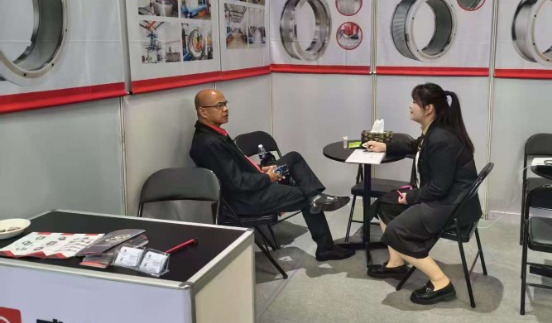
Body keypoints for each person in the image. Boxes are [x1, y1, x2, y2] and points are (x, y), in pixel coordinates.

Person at [189, 89, 354, 261]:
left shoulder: (214, 133)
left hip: (255, 182)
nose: (225, 109)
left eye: (225, 104)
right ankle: (325, 246)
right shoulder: (209, 143)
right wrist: (268, 178)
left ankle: (316, 196)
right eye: (219, 105)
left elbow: (236, 169)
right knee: (306, 197)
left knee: (293, 158)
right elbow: (237, 183)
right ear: (203, 111)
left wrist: (261, 170)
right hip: (247, 199)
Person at [364, 83, 480, 304]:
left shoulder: (442, 138)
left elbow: (438, 188)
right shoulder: (434, 131)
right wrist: (385, 147)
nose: (410, 106)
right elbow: (414, 146)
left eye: (414, 102)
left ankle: (441, 283)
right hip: (446, 197)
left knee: (396, 231)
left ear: (428, 109)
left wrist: (410, 197)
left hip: (452, 205)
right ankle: (396, 264)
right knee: (385, 204)